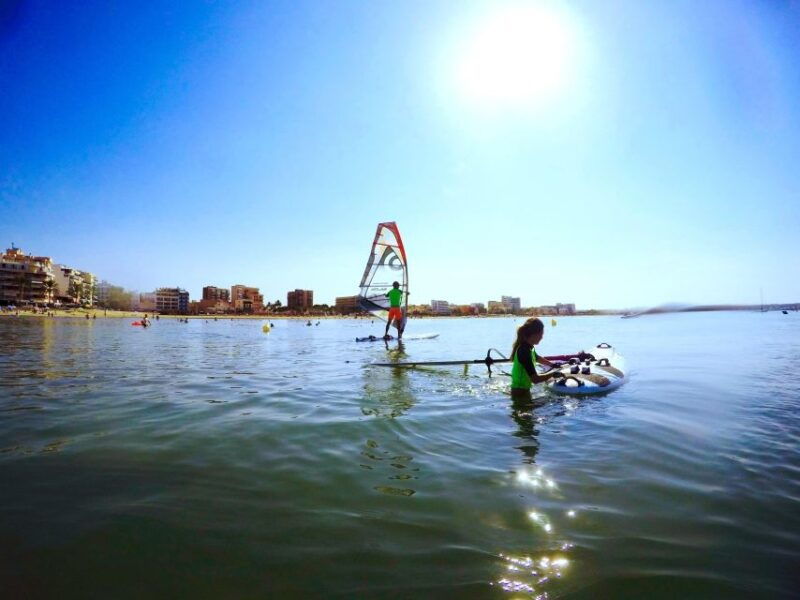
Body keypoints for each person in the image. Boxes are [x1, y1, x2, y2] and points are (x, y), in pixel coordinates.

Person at [510, 317, 562, 398]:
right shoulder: (524, 351)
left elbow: (537, 357)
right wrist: (553, 374)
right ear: (534, 334)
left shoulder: (529, 347)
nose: (542, 337)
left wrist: (552, 364)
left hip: (524, 391)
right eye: (541, 334)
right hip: (519, 394)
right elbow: (535, 379)